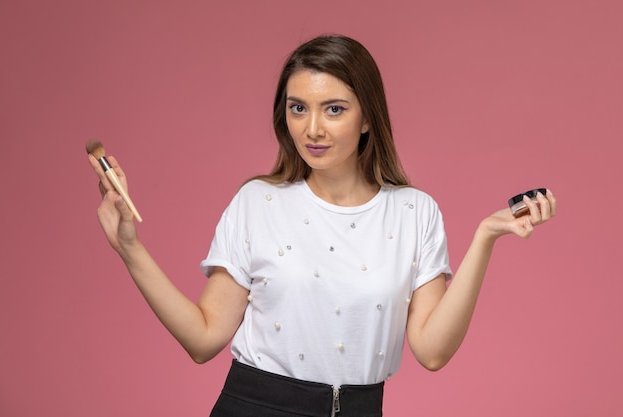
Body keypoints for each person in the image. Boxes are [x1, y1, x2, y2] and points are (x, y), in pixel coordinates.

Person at [88, 35, 556, 417]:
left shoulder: (415, 212)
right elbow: (203, 338)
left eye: (334, 109)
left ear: (368, 116)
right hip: (255, 407)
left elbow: (432, 352)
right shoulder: (258, 202)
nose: (312, 129)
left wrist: (485, 238)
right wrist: (131, 249)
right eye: (298, 108)